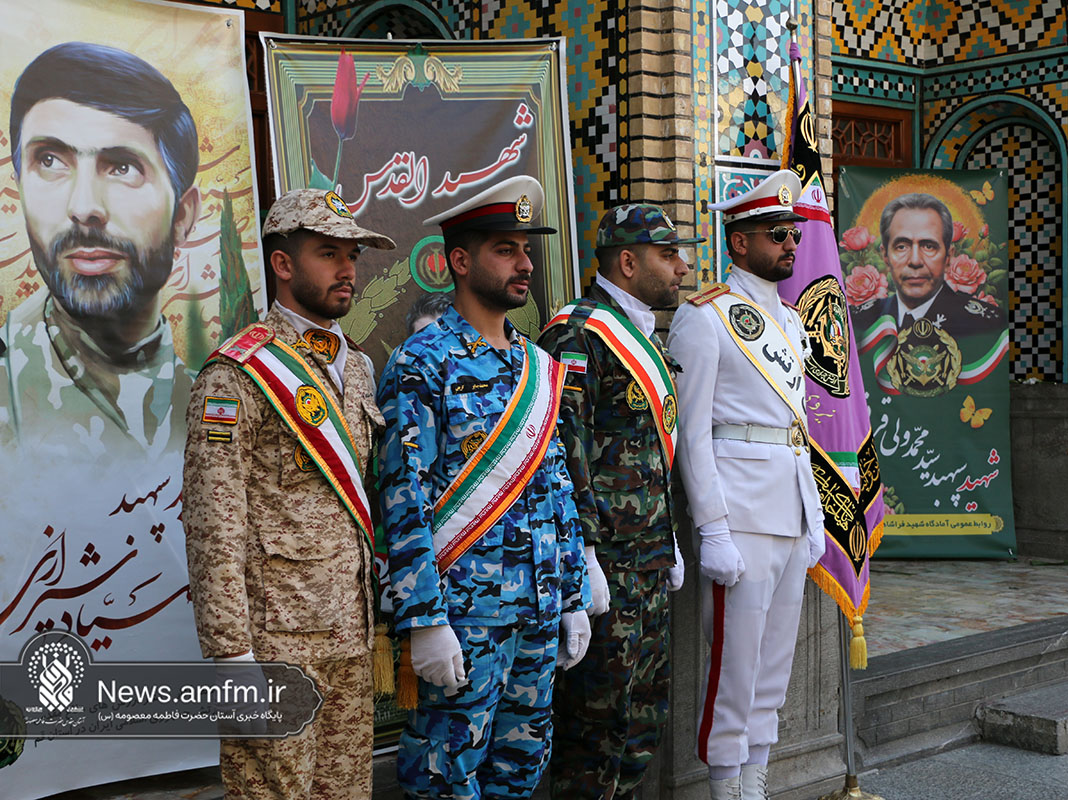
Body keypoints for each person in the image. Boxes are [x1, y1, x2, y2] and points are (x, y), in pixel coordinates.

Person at [376, 175, 590, 799]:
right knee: (446, 776)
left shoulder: (538, 366)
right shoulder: (422, 363)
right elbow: (404, 500)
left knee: (519, 775)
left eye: (526, 249)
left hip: (539, 611)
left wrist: (572, 594)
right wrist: (423, 618)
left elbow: (556, 488)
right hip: (466, 619)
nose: (525, 264)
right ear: (460, 262)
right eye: (505, 249)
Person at [181, 188, 396, 800]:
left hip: (350, 635)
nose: (347, 270)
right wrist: (231, 657)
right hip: (275, 648)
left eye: (352, 255)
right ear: (282, 264)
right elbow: (213, 524)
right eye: (329, 254)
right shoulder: (237, 374)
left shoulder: (357, 367)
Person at [667, 170, 826, 800]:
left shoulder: (790, 319)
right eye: (776, 234)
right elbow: (692, 432)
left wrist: (813, 515)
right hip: (740, 515)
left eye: (793, 234)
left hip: (788, 510)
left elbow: (795, 428)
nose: (790, 245)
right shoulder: (704, 317)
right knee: (733, 668)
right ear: (739, 242)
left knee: (774, 668)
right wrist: (712, 527)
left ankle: (755, 778)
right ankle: (724, 785)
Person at [539, 204, 698, 799]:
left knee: (642, 722)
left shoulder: (641, 334)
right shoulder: (577, 334)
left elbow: (651, 454)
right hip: (605, 568)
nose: (683, 268)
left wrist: (669, 539)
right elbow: (564, 452)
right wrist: (582, 556)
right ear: (628, 262)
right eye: (668, 254)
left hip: (647, 564)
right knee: (594, 730)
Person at [0, 41, 200, 457]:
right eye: (50, 161)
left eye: (122, 167)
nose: (84, 207)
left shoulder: (216, 399)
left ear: (182, 216)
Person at [862, 193, 1004, 335]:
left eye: (929, 246)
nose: (915, 261)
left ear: (948, 257)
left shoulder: (987, 324)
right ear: (885, 256)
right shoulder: (857, 320)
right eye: (902, 247)